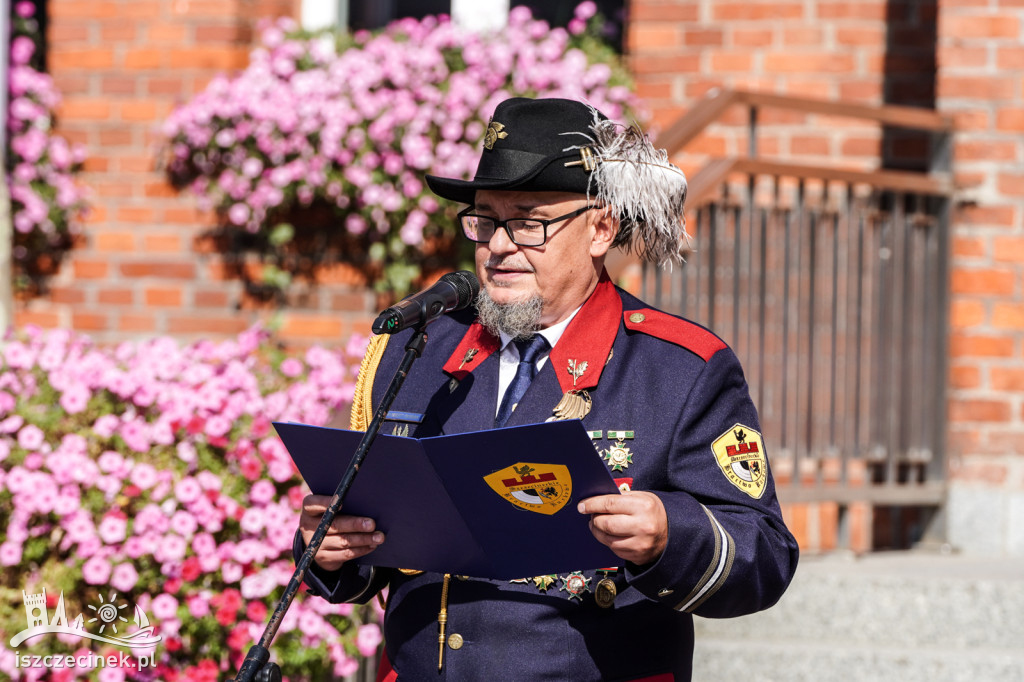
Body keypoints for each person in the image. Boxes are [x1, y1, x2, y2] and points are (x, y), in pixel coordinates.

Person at [295, 97, 799, 681]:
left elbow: (764, 555)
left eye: (529, 222)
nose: (500, 246)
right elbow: (377, 545)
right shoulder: (419, 350)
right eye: (485, 221)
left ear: (600, 229)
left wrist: (669, 534)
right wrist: (332, 548)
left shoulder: (679, 368)